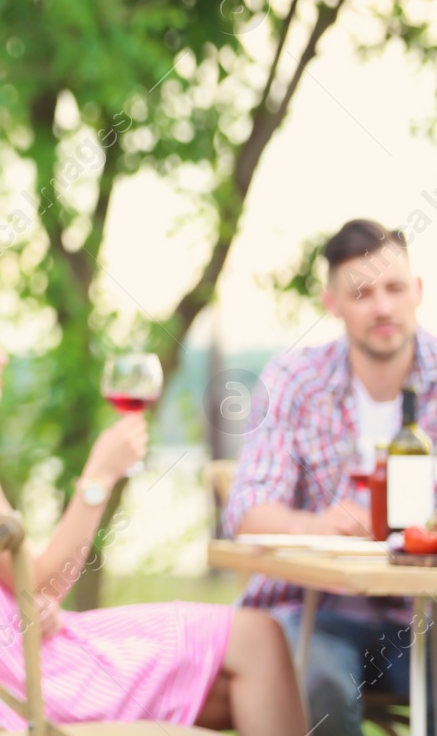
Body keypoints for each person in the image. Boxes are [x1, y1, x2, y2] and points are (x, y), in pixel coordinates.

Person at [0, 278, 304, 736]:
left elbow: (9, 586)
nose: (2, 358)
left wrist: (30, 609)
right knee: (259, 635)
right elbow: (42, 578)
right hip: (36, 686)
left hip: (22, 668)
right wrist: (98, 477)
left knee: (237, 684)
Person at [225, 218, 434, 735]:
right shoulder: (296, 381)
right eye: (361, 293)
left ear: (418, 291)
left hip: (424, 616)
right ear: (332, 303)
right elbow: (248, 511)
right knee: (320, 683)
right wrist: (315, 524)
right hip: (317, 612)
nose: (382, 307)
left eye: (393, 288)